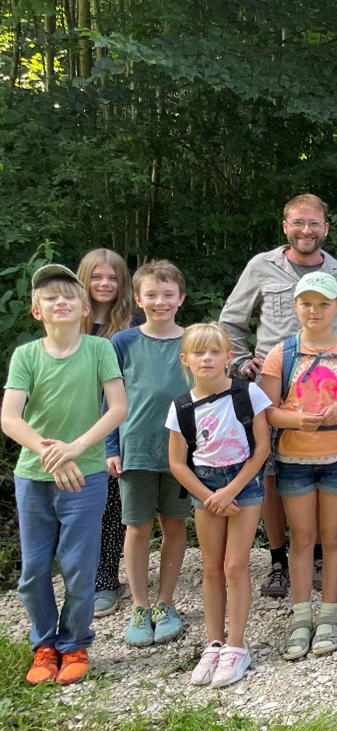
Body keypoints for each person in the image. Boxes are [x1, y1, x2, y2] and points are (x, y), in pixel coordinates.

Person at [219, 193, 337, 599]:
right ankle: (280, 561)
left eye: (314, 223)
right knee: (272, 475)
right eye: (298, 223)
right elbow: (230, 322)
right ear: (285, 226)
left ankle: (318, 566)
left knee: (324, 473)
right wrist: (243, 365)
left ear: (326, 228)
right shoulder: (262, 266)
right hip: (272, 394)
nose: (306, 230)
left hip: (327, 396)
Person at [3, 263, 127, 685]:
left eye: (69, 297)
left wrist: (75, 449)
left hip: (86, 475)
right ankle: (44, 645)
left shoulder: (99, 350)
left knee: (78, 567)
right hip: (34, 476)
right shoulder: (26, 355)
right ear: (37, 311)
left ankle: (74, 644)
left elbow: (118, 408)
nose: (61, 302)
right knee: (35, 569)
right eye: (51, 298)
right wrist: (49, 452)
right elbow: (10, 417)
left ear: (84, 308)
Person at [259, 271, 337, 660]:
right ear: (295, 306)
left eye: (323, 304)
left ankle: (329, 616)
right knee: (302, 538)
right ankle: (300, 616)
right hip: (293, 460)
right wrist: (295, 420)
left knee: (334, 536)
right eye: (307, 303)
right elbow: (268, 411)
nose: (314, 311)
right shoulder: (281, 353)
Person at [166, 322, 272, 688]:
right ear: (186, 359)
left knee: (235, 564)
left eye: (215, 352)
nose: (207, 359)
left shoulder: (249, 394)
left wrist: (232, 491)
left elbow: (262, 450)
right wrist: (210, 495)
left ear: (229, 356)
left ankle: (237, 646)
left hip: (244, 483)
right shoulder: (181, 406)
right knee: (210, 567)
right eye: (199, 352)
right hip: (204, 485)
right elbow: (177, 462)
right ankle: (213, 643)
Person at [107, 261, 191, 648]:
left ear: (181, 298)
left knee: (175, 526)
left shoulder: (192, 341)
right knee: (138, 528)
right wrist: (111, 447)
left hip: (182, 451)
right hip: (135, 448)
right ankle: (140, 605)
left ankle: (165, 602)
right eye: (152, 295)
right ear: (138, 299)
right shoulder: (122, 343)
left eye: (168, 294)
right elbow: (106, 399)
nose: (160, 302)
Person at [77, 248, 136, 619]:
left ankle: (105, 580)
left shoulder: (135, 323)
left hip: (120, 426)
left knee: (114, 505)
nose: (104, 284)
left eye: (112, 278)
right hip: (76, 423)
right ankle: (80, 576)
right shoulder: (69, 319)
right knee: (82, 505)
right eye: (97, 277)